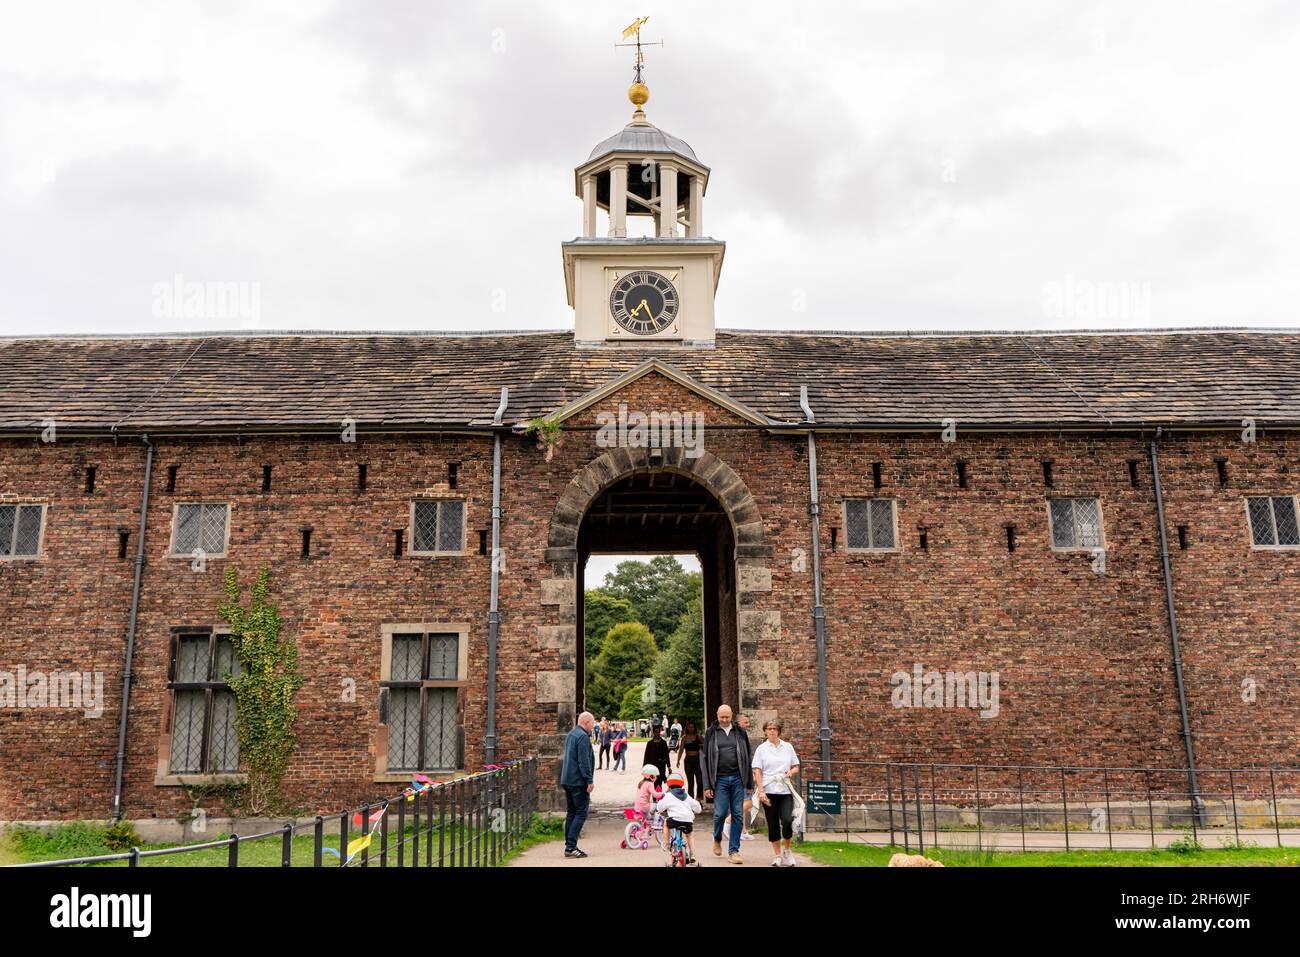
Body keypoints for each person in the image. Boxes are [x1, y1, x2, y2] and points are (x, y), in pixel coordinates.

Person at [701, 704, 752, 864]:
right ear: (717, 715)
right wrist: (707, 785)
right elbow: (704, 759)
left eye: (727, 717)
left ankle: (734, 851)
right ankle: (717, 838)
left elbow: (748, 757)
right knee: (720, 814)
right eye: (721, 717)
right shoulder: (711, 733)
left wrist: (749, 782)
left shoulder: (740, 732)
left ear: (731, 716)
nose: (724, 720)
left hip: (737, 778)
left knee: (737, 814)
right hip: (720, 779)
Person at [752, 718, 800, 867]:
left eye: (774, 728)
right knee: (772, 824)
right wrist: (761, 792)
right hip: (769, 790)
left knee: (786, 820)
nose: (771, 731)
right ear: (765, 731)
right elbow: (757, 771)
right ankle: (777, 855)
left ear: (779, 731)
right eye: (769, 728)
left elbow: (796, 766)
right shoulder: (761, 749)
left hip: (785, 790)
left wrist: (789, 773)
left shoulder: (788, 747)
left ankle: (787, 850)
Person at [560, 711, 596, 858]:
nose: (593, 726)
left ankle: (568, 845)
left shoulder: (571, 734)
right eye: (592, 723)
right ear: (586, 722)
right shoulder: (582, 737)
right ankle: (571, 846)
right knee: (581, 813)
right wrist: (589, 780)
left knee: (572, 813)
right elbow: (583, 761)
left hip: (567, 779)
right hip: (577, 781)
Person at [656, 770, 702, 864]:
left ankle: (666, 844)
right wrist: (697, 810)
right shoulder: (686, 796)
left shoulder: (668, 796)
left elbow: (659, 807)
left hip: (674, 820)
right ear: (681, 784)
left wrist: (660, 809)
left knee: (666, 823)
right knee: (689, 835)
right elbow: (698, 807)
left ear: (669, 785)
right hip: (688, 821)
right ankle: (692, 854)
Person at [737, 713, 756, 842]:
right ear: (738, 722)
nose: (748, 725)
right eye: (745, 722)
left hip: (744, 776)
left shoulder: (742, 736)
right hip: (741, 776)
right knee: (747, 803)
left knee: (744, 803)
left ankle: (742, 830)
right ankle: (739, 829)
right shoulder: (739, 737)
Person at [677, 719, 703, 800]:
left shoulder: (698, 736)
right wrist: (678, 760)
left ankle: (699, 798)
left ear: (695, 727)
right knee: (690, 783)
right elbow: (681, 750)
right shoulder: (684, 738)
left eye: (692, 727)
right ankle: (691, 800)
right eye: (689, 727)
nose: (691, 728)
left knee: (700, 781)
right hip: (688, 761)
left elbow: (705, 746)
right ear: (687, 728)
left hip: (697, 760)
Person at [644, 722, 670, 787]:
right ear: (653, 732)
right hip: (652, 767)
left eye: (658, 732)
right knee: (653, 784)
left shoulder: (663, 743)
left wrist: (669, 766)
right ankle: (655, 797)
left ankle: (658, 796)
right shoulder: (650, 743)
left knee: (659, 784)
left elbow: (666, 755)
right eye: (655, 732)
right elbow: (646, 756)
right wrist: (644, 767)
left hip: (661, 766)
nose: (657, 733)